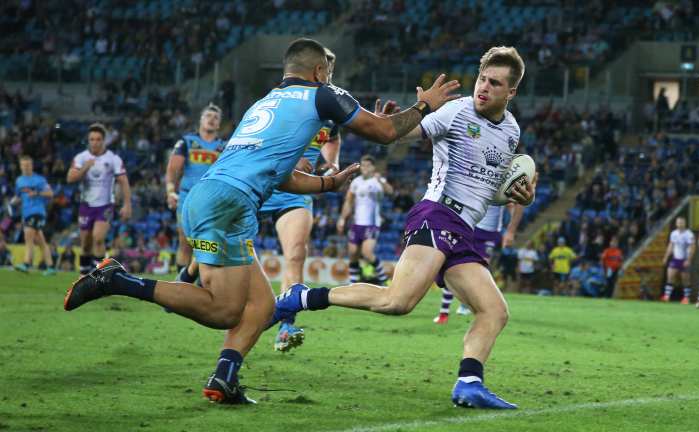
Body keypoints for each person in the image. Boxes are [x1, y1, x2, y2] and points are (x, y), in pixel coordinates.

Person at [63, 37, 460, 404]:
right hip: (228, 205)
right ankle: (117, 280)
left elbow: (281, 173)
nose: (332, 81)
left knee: (263, 305)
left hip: (213, 198)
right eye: (330, 74)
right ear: (321, 71)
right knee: (224, 311)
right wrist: (425, 106)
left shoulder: (265, 103)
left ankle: (224, 377)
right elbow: (385, 132)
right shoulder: (322, 94)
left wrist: (326, 184)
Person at [272, 46, 534, 409]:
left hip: (463, 229)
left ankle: (469, 383)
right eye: (482, 79)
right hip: (437, 215)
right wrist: (395, 122)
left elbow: (486, 190)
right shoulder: (455, 111)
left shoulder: (511, 130)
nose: (484, 88)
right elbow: (405, 134)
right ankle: (299, 297)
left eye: (495, 83)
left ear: (511, 92)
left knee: (495, 310)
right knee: (397, 301)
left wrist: (518, 195)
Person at [260, 48, 344, 352]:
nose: (328, 76)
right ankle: (189, 274)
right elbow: (260, 139)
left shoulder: (330, 107)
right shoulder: (283, 99)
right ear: (313, 70)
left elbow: (332, 137)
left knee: (296, 253)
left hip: (297, 190)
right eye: (325, 70)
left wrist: (332, 163)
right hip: (264, 183)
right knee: (220, 239)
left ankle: (285, 326)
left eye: (331, 71)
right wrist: (291, 161)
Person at [165, 104, 225, 280]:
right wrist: (170, 192)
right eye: (208, 116)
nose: (211, 119)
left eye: (216, 117)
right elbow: (172, 169)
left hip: (213, 202)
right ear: (201, 120)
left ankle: (200, 285)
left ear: (219, 125)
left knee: (207, 244)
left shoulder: (225, 146)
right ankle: (181, 287)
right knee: (185, 244)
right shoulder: (187, 142)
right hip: (188, 199)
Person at [434, 203, 522, 324]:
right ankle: (444, 312)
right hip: (471, 228)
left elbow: (512, 205)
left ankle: (465, 306)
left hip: (489, 234)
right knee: (454, 268)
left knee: (479, 271)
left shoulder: (501, 188)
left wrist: (511, 229)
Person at [66, 123, 132, 274]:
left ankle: (100, 278)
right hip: (86, 205)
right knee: (86, 244)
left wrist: (127, 204)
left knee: (98, 238)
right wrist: (85, 167)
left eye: (98, 139)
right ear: (88, 141)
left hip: (105, 205)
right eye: (92, 139)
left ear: (104, 141)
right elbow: (70, 178)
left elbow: (124, 181)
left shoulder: (113, 159)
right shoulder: (81, 158)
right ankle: (83, 276)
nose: (95, 142)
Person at [338, 155, 393, 284]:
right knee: (352, 253)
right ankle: (353, 283)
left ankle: (384, 280)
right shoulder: (356, 182)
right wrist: (342, 219)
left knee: (367, 253)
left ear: (373, 167)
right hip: (357, 223)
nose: (365, 168)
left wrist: (382, 181)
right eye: (363, 165)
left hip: (372, 223)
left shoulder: (377, 181)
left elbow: (390, 191)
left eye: (368, 165)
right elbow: (348, 202)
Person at [11, 155, 56, 275]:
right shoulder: (19, 180)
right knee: (40, 241)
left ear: (32, 166)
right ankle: (51, 267)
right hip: (26, 212)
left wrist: (36, 193)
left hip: (37, 211)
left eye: (28, 165)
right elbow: (19, 196)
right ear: (20, 166)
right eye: (23, 165)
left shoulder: (39, 180)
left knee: (28, 237)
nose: (25, 167)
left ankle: (26, 264)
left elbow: (50, 193)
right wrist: (14, 201)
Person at [661, 217, 695, 303]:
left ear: (685, 223)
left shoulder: (689, 234)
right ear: (676, 224)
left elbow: (692, 247)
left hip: (684, 259)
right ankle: (667, 296)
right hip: (675, 259)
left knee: (685, 280)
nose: (680, 224)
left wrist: (688, 260)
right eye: (678, 223)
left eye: (682, 222)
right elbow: (671, 245)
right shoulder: (673, 233)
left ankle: (686, 298)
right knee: (670, 277)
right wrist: (666, 257)